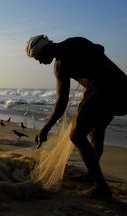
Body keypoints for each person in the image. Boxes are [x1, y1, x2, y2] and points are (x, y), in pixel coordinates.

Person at [26, 35, 127, 198]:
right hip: (123, 89)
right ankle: (91, 176)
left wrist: (46, 128)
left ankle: (101, 188)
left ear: (45, 49)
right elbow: (100, 48)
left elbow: (61, 102)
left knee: (76, 135)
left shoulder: (60, 65)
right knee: (97, 132)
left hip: (104, 92)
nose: (39, 62)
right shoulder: (76, 41)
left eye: (38, 58)